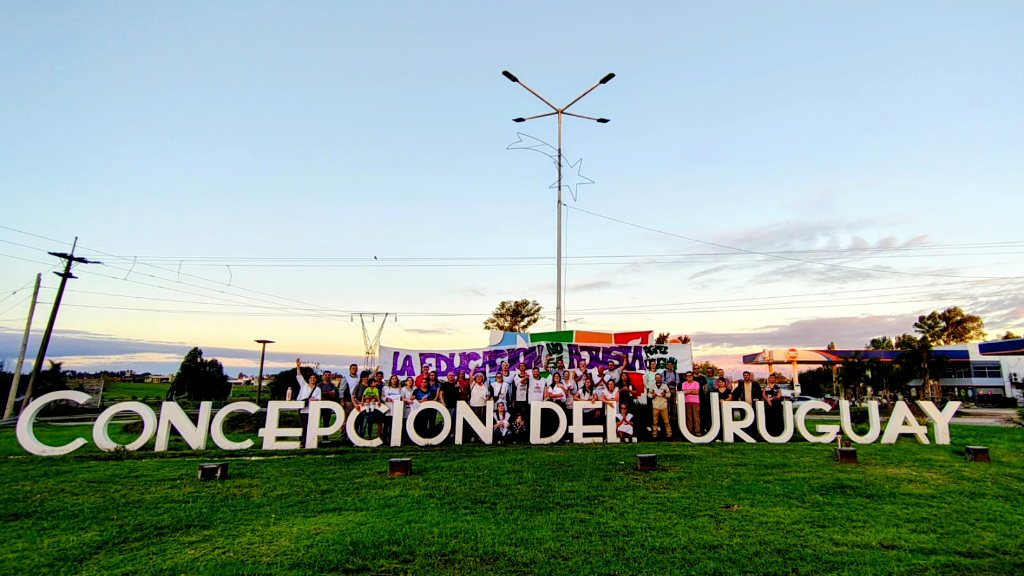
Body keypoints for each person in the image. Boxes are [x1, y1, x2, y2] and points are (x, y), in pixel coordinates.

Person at [294, 358, 322, 447]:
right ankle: (302, 442)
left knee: (311, 427)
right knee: (303, 426)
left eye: (314, 378)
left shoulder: (318, 389)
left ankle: (310, 441)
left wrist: (314, 400)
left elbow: (319, 399)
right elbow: (299, 376)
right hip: (303, 410)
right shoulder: (304, 386)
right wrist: (298, 366)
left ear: (316, 380)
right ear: (308, 379)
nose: (312, 379)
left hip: (312, 410)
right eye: (311, 378)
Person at [731, 371, 763, 439]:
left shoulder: (755, 384)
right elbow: (735, 393)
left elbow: (759, 393)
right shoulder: (741, 384)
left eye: (747, 375)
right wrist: (738, 399)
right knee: (743, 420)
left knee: (754, 420)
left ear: (749, 376)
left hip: (753, 405)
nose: (746, 376)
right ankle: (744, 435)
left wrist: (758, 398)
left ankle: (753, 435)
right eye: (744, 375)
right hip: (744, 406)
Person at [649, 373, 672, 440]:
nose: (658, 379)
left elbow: (669, 395)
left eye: (659, 378)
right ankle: (654, 435)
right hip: (655, 406)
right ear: (655, 379)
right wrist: (652, 395)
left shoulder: (665, 386)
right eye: (657, 378)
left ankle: (669, 434)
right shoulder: (652, 386)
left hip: (663, 406)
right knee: (655, 422)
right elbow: (648, 395)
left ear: (661, 378)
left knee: (666, 421)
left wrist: (664, 394)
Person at [438, 372, 460, 441]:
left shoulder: (456, 384)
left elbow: (461, 392)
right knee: (446, 420)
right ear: (447, 377)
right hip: (447, 405)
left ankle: (452, 435)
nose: (451, 376)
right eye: (450, 375)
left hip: (455, 405)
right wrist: (442, 402)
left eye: (452, 375)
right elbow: (441, 394)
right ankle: (445, 435)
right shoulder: (444, 385)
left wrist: (459, 386)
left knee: (454, 421)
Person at [679, 371, 701, 436]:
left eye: (690, 375)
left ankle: (697, 431)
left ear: (692, 376)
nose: (689, 377)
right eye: (687, 376)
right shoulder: (684, 383)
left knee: (696, 417)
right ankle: (689, 431)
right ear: (686, 377)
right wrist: (692, 390)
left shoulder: (696, 383)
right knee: (689, 417)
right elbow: (684, 392)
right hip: (687, 401)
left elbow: (696, 392)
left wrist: (688, 391)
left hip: (695, 402)